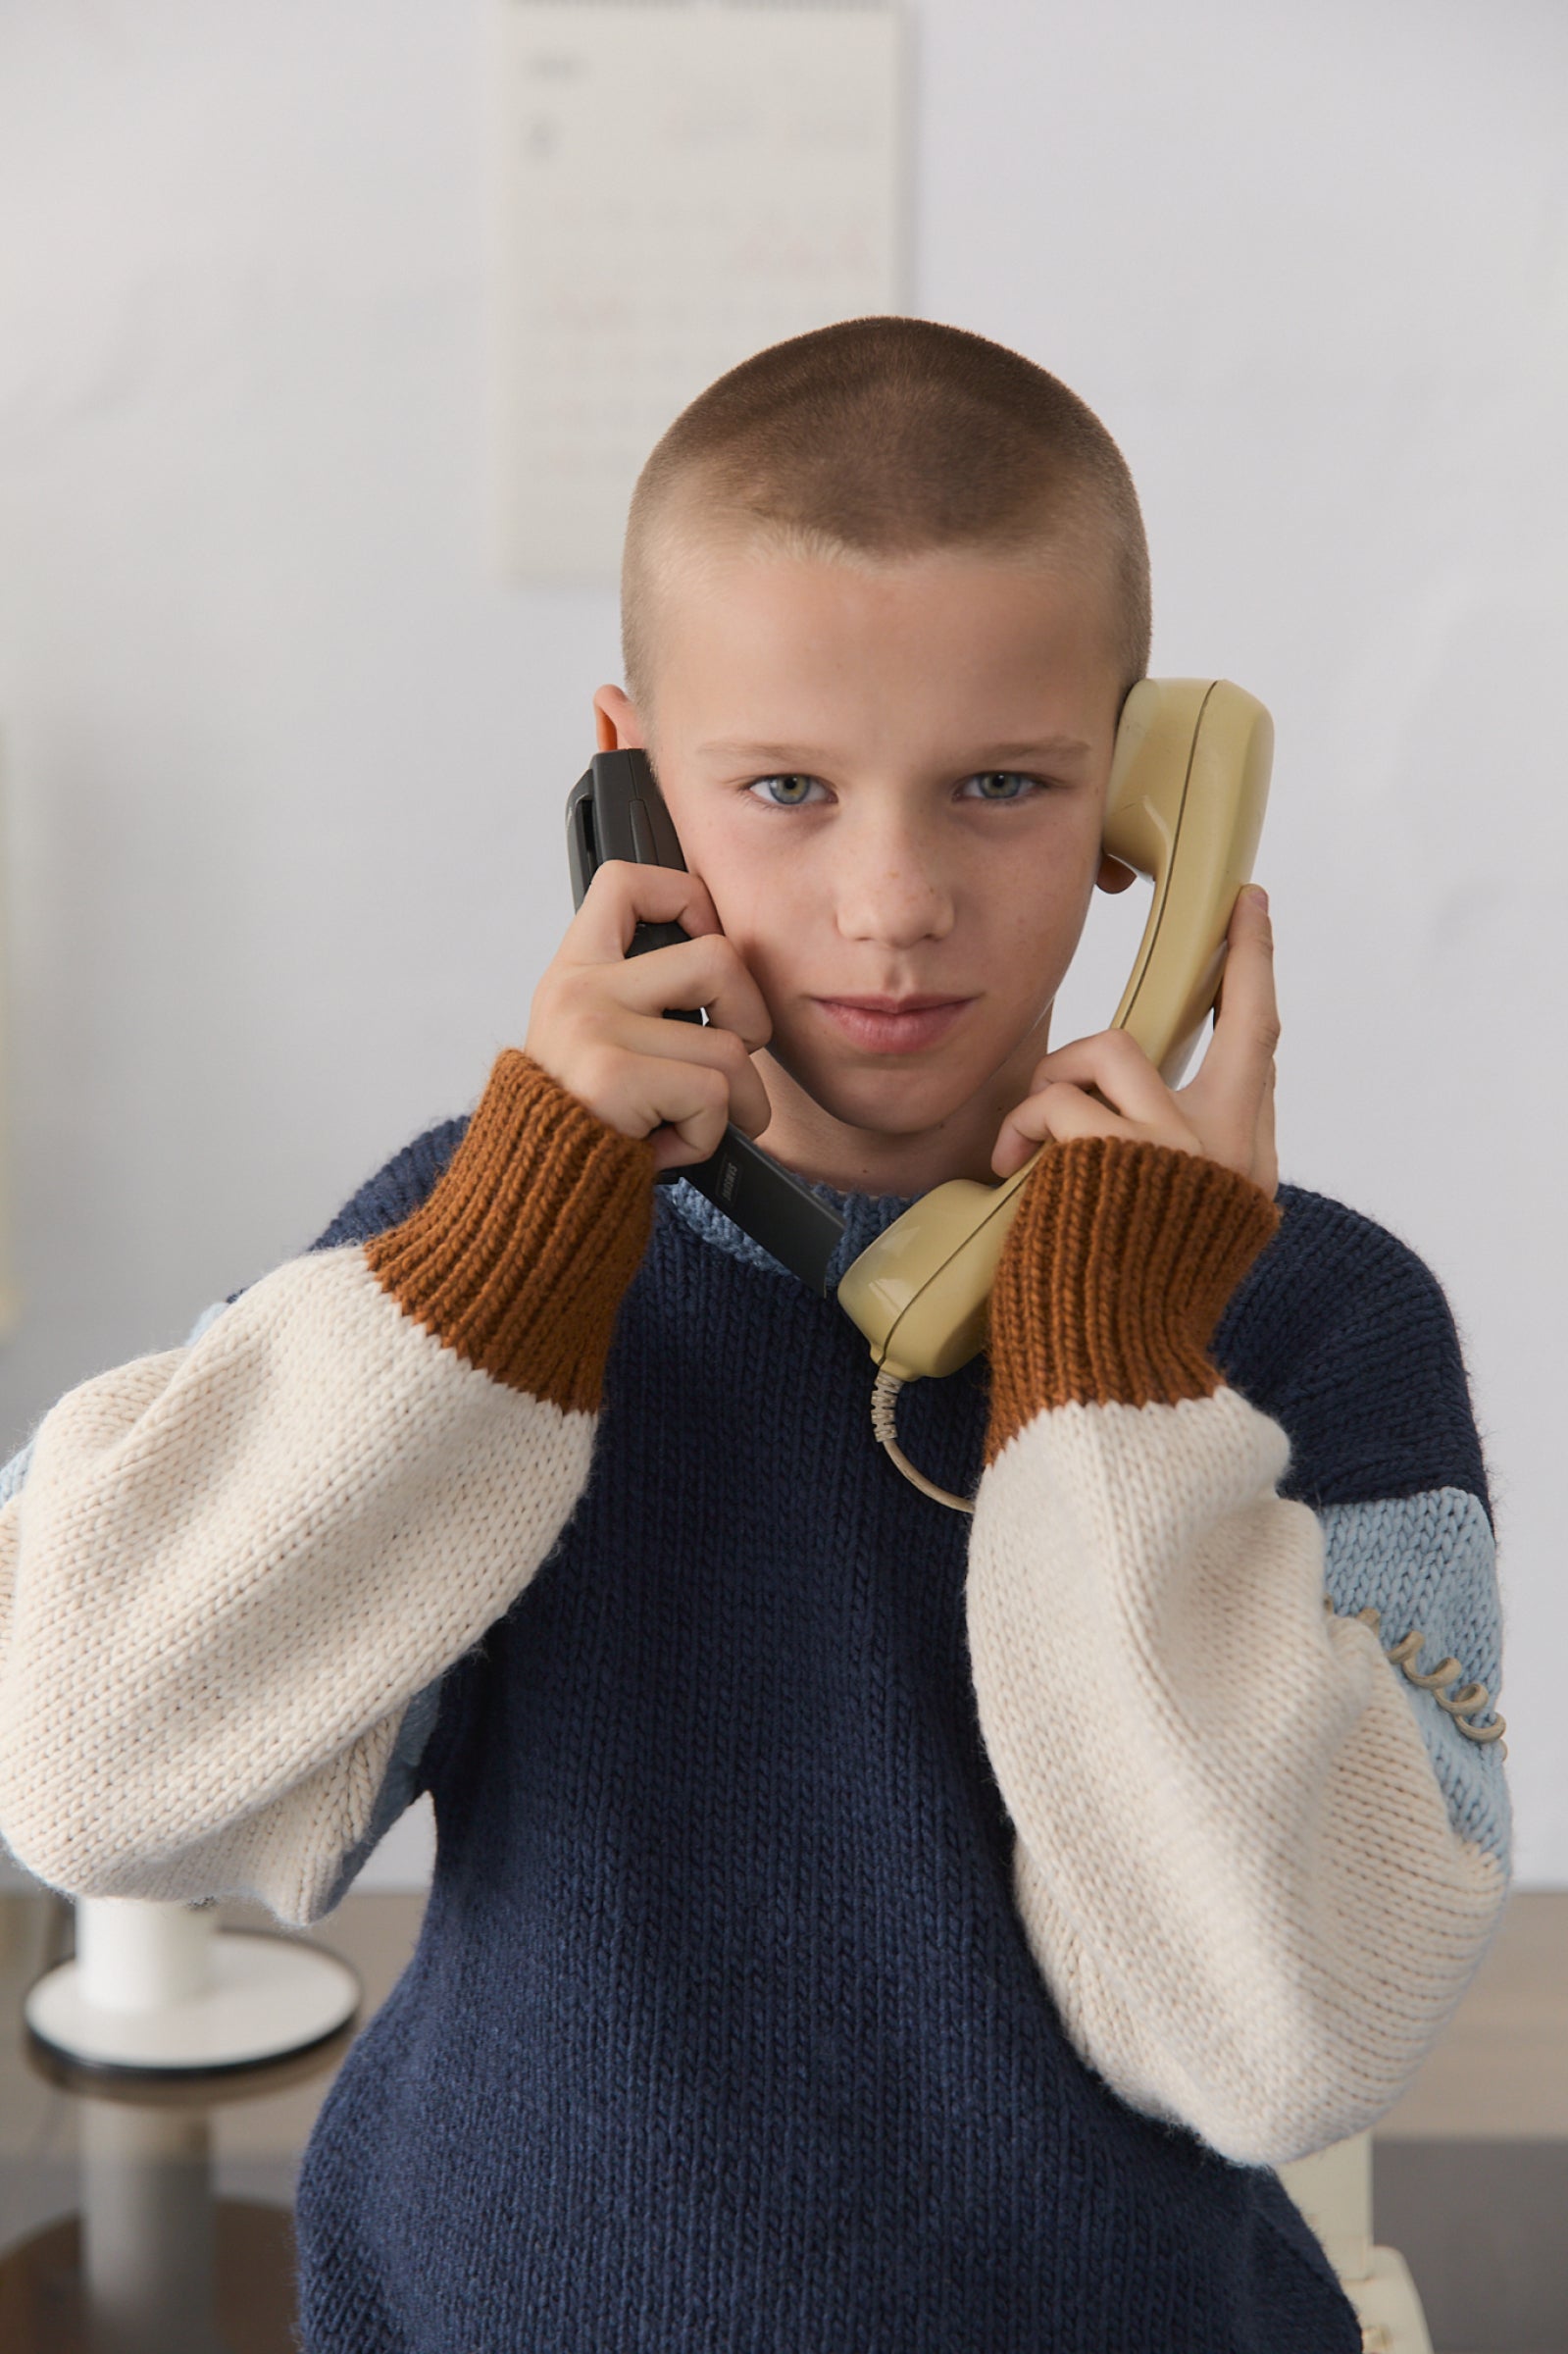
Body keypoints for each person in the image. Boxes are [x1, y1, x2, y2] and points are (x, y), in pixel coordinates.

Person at [0, 318, 1509, 2353]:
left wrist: (1113, 1374)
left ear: (1151, 795)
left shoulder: (1318, 1323)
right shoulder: (484, 1257)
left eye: (1000, 785)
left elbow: (1275, 2044)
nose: (891, 901)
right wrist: (511, 1251)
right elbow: (84, 1779)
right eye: (783, 788)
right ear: (630, 785)